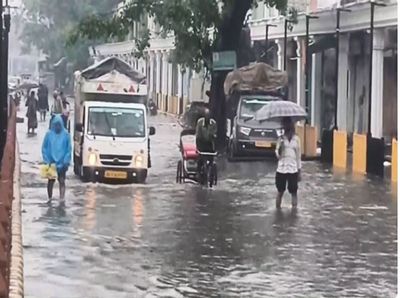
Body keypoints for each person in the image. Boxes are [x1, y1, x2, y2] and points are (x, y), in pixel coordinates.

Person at [41, 115, 71, 205]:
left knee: (62, 181)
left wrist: (66, 161)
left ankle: (62, 198)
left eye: (59, 125)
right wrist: (46, 160)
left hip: (62, 163)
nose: (57, 127)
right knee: (50, 182)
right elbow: (44, 148)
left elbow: (68, 149)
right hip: (51, 163)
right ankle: (50, 198)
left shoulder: (66, 135)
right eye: (56, 125)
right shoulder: (49, 134)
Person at [275, 117, 302, 210]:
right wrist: (280, 148)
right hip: (281, 169)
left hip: (293, 169)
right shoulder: (281, 139)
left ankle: (294, 213)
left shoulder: (297, 139)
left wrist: (299, 171)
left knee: (294, 192)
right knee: (280, 192)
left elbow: (298, 156)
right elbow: (277, 155)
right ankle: (277, 211)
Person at [195, 108, 217, 173]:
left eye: (209, 116)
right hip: (201, 143)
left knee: (211, 159)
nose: (208, 117)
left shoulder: (213, 123)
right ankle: (199, 172)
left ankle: (210, 172)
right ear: (204, 116)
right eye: (206, 115)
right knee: (200, 159)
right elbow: (198, 135)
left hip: (209, 143)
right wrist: (198, 146)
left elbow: (214, 133)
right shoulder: (200, 122)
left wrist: (213, 136)